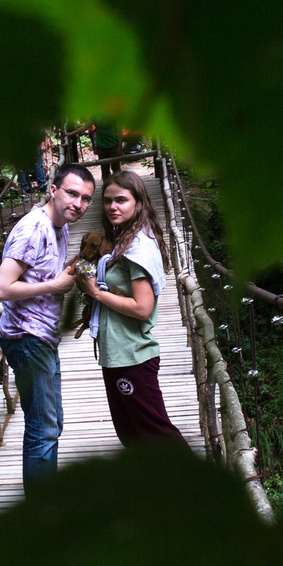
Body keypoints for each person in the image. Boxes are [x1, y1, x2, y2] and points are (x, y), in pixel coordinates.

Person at [0, 164, 97, 483]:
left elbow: (40, 271)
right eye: (72, 193)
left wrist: (73, 269)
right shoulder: (33, 229)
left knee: (51, 424)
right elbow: (0, 288)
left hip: (43, 336)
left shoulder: (60, 226)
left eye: (86, 199)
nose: (78, 203)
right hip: (26, 337)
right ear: (53, 190)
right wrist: (53, 286)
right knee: (42, 428)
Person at [76, 170, 187, 449]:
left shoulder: (138, 246)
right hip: (116, 353)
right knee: (132, 437)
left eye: (121, 200)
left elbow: (142, 308)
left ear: (138, 202)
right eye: (108, 200)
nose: (113, 206)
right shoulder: (122, 240)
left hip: (133, 355)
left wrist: (95, 293)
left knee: (157, 435)